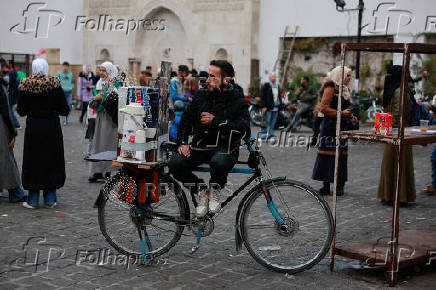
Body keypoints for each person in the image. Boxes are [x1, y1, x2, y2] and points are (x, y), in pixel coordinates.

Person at [168, 60, 250, 217]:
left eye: (213, 76)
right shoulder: (201, 95)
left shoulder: (237, 100)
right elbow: (185, 120)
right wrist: (183, 143)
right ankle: (200, 190)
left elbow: (244, 130)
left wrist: (216, 121)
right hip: (201, 146)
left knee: (219, 162)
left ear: (226, 80)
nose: (207, 80)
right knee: (175, 163)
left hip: (225, 147)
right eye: (208, 75)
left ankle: (214, 190)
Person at [17, 58, 70, 208]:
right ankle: (50, 198)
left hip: (34, 126)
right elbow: (64, 109)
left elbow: (21, 111)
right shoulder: (54, 84)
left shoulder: (26, 84)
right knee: (51, 159)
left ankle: (33, 199)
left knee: (33, 160)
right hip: (51, 127)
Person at [312, 66, 356, 196]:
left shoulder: (345, 89)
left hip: (342, 128)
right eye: (347, 75)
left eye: (350, 75)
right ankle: (326, 186)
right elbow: (323, 108)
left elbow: (345, 107)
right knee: (328, 155)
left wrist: (350, 115)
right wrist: (341, 113)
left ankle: (340, 185)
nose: (349, 78)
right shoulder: (330, 87)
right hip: (330, 128)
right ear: (339, 75)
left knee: (341, 155)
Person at [378, 65, 418, 205]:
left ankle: (399, 197)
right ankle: (389, 195)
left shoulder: (399, 91)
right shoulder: (394, 90)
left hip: (398, 132)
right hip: (392, 132)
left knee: (398, 164)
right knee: (390, 165)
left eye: (390, 75)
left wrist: (388, 128)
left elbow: (398, 115)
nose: (387, 77)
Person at [88, 61, 120, 182]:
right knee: (99, 143)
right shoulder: (99, 83)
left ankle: (108, 171)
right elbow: (96, 97)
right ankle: (98, 171)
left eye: (103, 70)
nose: (101, 73)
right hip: (101, 117)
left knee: (109, 143)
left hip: (110, 118)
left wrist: (103, 96)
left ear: (110, 71)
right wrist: (98, 98)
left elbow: (116, 98)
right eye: (100, 70)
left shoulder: (115, 84)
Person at [0, 58, 26, 203]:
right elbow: (5, 111)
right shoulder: (1, 85)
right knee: (6, 158)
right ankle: (15, 192)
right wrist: (12, 133)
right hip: (1, 127)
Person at [259, 73, 281, 141]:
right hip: (268, 107)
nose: (274, 78)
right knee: (265, 121)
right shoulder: (266, 85)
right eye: (272, 77)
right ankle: (262, 135)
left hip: (276, 107)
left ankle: (271, 136)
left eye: (275, 77)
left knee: (273, 122)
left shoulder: (277, 86)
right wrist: (263, 106)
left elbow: (278, 97)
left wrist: (281, 106)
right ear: (270, 78)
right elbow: (262, 96)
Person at [310, 75, 330, 147]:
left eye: (326, 81)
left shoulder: (329, 89)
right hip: (320, 110)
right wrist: (317, 108)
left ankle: (321, 142)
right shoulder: (321, 89)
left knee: (323, 126)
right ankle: (314, 140)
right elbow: (319, 100)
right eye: (324, 81)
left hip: (326, 110)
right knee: (316, 124)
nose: (325, 82)